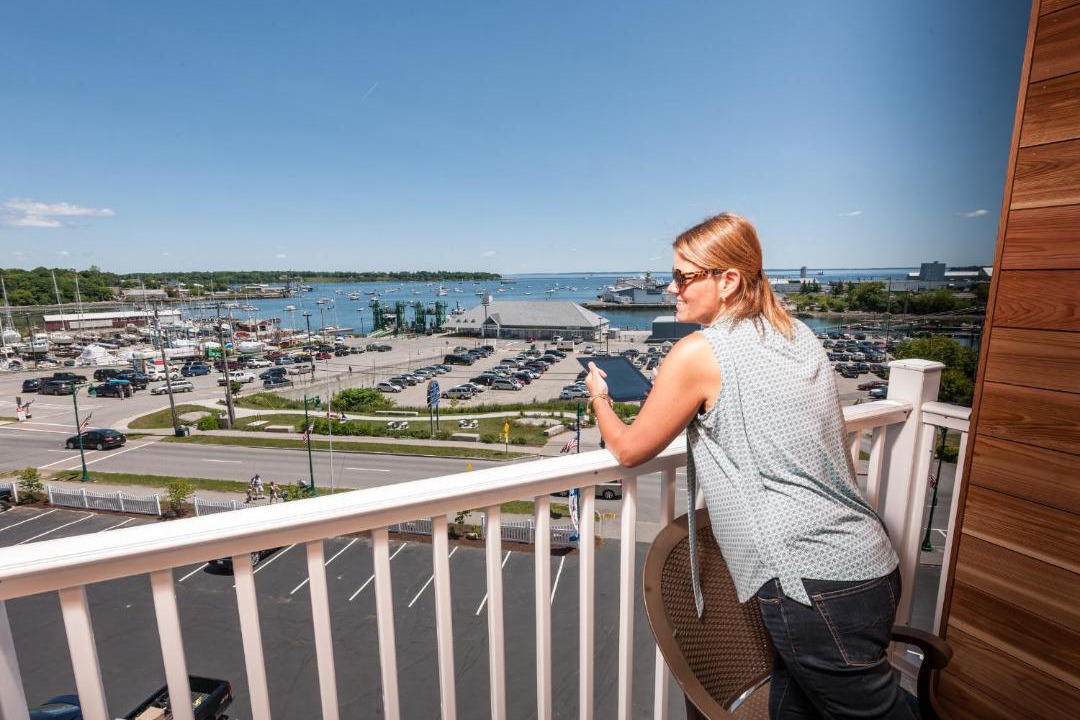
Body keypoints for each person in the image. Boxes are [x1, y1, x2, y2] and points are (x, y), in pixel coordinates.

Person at [583, 213, 907, 719]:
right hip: (869, 562)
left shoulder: (700, 352)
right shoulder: (797, 334)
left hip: (811, 584)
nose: (671, 289)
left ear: (728, 280)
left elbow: (628, 450)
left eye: (683, 277)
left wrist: (599, 397)